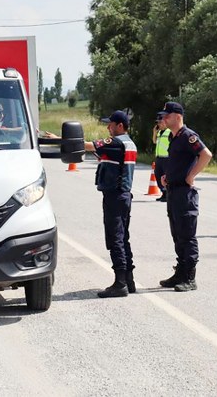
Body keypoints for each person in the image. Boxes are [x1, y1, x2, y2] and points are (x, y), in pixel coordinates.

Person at [45, 110, 138, 298]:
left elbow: (87, 145)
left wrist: (60, 139)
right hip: (123, 196)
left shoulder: (117, 142)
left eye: (110, 124)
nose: (108, 128)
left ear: (120, 125)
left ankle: (120, 283)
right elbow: (98, 153)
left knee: (115, 238)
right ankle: (128, 280)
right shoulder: (129, 143)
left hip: (115, 196)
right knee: (123, 237)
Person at [157, 102, 212, 292]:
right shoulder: (174, 137)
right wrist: (167, 177)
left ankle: (189, 277)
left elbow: (206, 155)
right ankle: (180, 272)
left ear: (178, 116)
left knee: (187, 236)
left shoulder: (188, 135)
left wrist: (191, 175)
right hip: (173, 191)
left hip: (184, 193)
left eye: (167, 115)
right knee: (177, 235)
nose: (164, 119)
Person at [152, 113, 170, 202]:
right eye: (158, 123)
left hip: (167, 158)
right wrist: (154, 132)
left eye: (160, 122)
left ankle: (168, 194)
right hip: (159, 157)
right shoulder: (159, 132)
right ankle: (163, 193)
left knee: (166, 177)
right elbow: (154, 141)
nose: (159, 124)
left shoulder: (170, 132)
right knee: (158, 175)